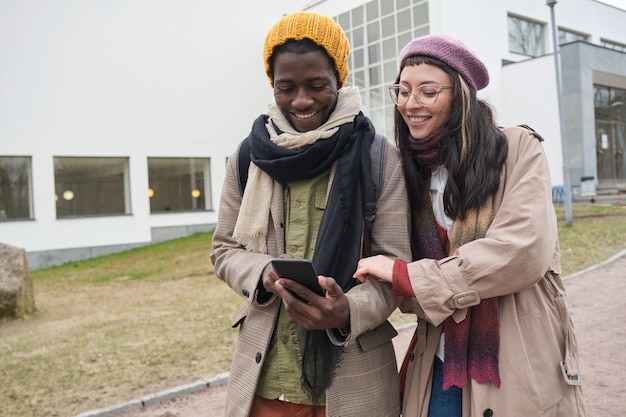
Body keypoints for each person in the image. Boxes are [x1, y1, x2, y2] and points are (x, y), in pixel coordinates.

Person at [353, 34, 587, 417]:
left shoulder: (516, 150)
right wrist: (411, 280)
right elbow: (412, 297)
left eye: (428, 91)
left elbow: (522, 251)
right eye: (403, 90)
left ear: (460, 95)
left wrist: (412, 276)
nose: (411, 104)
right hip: (439, 364)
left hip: (515, 363)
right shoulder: (406, 175)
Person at [210, 11, 411, 417]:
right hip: (268, 383)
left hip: (354, 385)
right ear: (273, 85)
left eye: (317, 85)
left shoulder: (380, 159)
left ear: (338, 78)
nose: (301, 100)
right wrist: (263, 272)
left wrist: (346, 311)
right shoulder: (247, 158)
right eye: (286, 87)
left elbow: (395, 268)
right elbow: (224, 249)